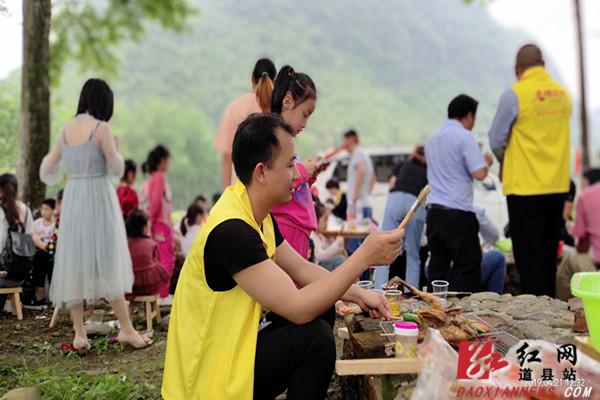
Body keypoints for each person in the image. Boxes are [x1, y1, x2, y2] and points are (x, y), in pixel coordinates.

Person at [162, 113, 403, 400]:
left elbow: (301, 269)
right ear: (261, 172)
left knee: (323, 305)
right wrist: (363, 257)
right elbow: (297, 307)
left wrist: (359, 295)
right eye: (290, 165)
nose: (296, 174)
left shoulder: (255, 215)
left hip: (232, 352)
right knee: (315, 340)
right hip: (207, 379)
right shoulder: (232, 231)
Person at [39, 78, 151, 350]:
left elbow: (46, 170)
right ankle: (126, 329)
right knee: (109, 260)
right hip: (99, 198)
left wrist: (72, 173)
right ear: (102, 103)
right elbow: (116, 168)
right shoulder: (101, 129)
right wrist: (118, 151)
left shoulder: (65, 130)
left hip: (75, 197)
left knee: (74, 263)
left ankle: (80, 335)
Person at [488, 44, 571, 297]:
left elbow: (496, 140)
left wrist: (506, 161)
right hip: (556, 186)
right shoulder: (563, 95)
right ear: (543, 65)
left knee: (528, 256)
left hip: (525, 187)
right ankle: (550, 306)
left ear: (517, 70)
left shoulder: (515, 95)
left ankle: (538, 310)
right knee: (548, 253)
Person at [425, 94, 492, 292]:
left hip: (434, 212)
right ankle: (464, 312)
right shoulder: (464, 136)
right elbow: (479, 174)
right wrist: (486, 160)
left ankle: (435, 309)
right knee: (468, 266)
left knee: (438, 267)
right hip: (458, 212)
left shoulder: (433, 138)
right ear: (469, 115)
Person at [270, 65, 324, 260]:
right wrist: (303, 170)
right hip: (286, 226)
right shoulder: (274, 137)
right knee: (293, 285)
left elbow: (294, 186)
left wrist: (311, 174)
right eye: (304, 114)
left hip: (297, 229)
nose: (305, 124)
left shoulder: (287, 141)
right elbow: (278, 181)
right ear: (287, 101)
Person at [215, 58, 277, 188]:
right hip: (270, 187)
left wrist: (227, 192)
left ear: (252, 78)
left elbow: (227, 157)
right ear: (275, 81)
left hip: (240, 188)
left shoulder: (235, 108)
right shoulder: (277, 111)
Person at [374, 145, 427, 288]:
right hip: (416, 201)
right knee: (413, 255)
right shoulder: (428, 170)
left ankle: (379, 291)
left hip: (395, 198)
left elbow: (391, 185)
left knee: (384, 248)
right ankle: (411, 293)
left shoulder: (404, 164)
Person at [556, 168, 600, 300]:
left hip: (594, 261)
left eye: (583, 184)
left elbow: (582, 242)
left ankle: (562, 307)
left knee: (570, 260)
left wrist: (573, 231)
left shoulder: (586, 197)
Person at [140, 145, 174, 301]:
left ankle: (160, 293)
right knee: (166, 258)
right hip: (160, 224)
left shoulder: (153, 178)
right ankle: (163, 294)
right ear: (161, 161)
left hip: (158, 223)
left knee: (160, 258)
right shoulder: (159, 177)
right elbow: (155, 202)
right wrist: (152, 220)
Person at [0, 174, 34, 311]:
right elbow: (30, 238)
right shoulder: (25, 209)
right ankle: (9, 301)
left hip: (5, 265)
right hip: (22, 268)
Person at [125, 210, 169, 299]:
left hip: (130, 287)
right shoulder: (151, 243)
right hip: (149, 287)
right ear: (144, 228)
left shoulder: (126, 244)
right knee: (157, 265)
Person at [24, 198, 56, 308]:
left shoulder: (55, 224)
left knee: (47, 257)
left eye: (47, 209)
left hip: (53, 251)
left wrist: (41, 239)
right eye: (42, 209)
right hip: (39, 251)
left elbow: (54, 238)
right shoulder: (37, 223)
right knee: (39, 255)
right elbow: (33, 237)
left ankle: (51, 295)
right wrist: (42, 243)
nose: (43, 211)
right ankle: (39, 293)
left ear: (53, 210)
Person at [342, 129, 375, 221]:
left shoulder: (357, 153)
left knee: (356, 233)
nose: (344, 145)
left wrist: (354, 196)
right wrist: (366, 193)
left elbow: (361, 170)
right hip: (365, 203)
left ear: (351, 140)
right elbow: (373, 177)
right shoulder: (364, 153)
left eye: (344, 141)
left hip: (358, 206)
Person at [311, 202, 346, 271]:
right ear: (315, 220)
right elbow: (321, 256)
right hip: (317, 267)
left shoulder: (320, 235)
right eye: (325, 220)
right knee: (340, 260)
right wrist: (337, 243)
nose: (326, 224)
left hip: (322, 264)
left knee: (343, 256)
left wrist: (337, 244)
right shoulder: (312, 236)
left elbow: (332, 250)